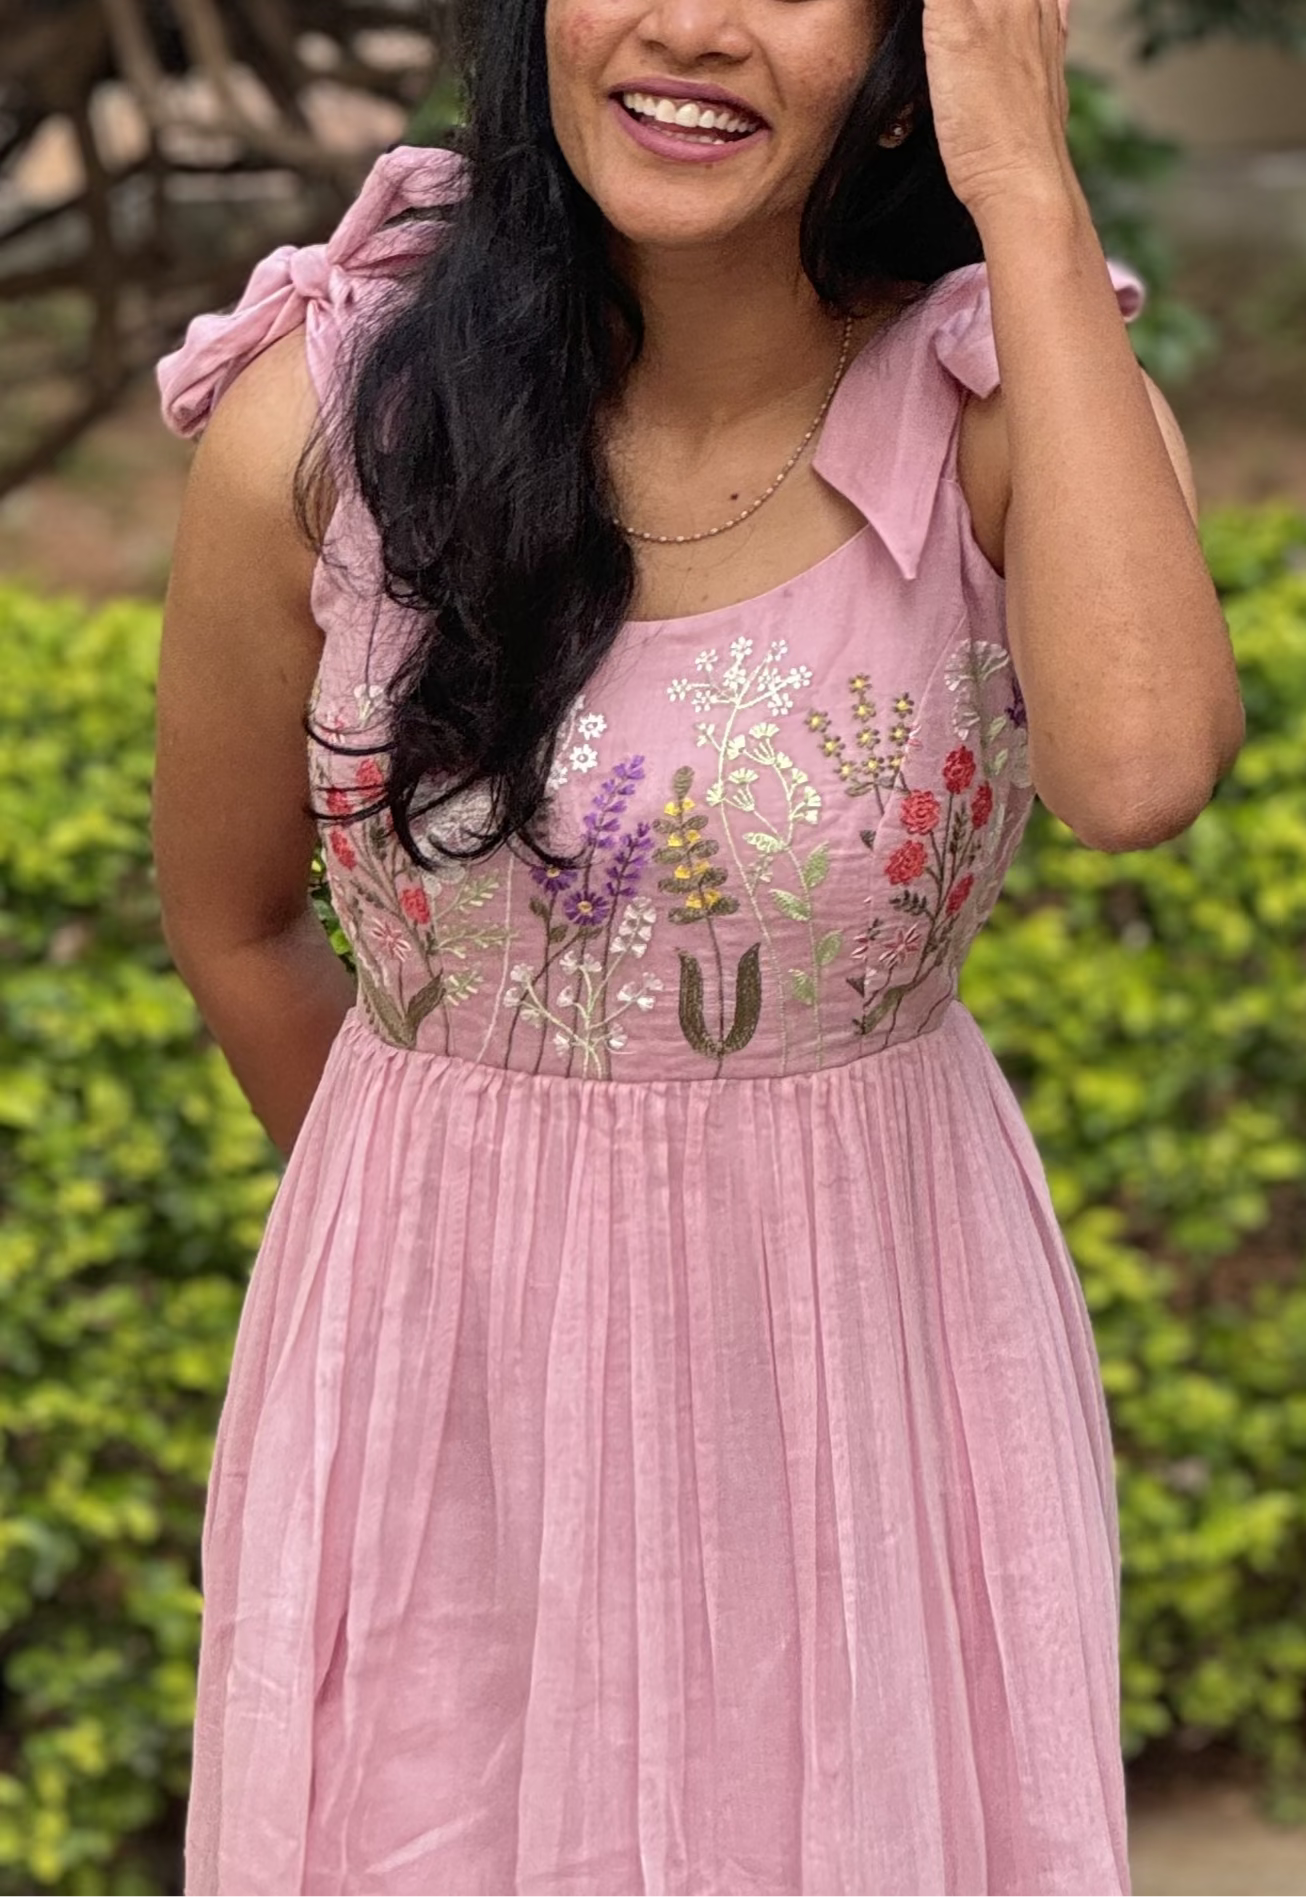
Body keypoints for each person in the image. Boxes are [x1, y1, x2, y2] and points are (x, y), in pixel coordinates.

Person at [153, 0, 1243, 1890]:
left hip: (863, 1395)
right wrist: (456, 1248)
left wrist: (1028, 192)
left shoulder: (1007, 404)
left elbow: (1140, 767)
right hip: (435, 1416)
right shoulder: (332, 416)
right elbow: (232, 921)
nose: (691, 24)